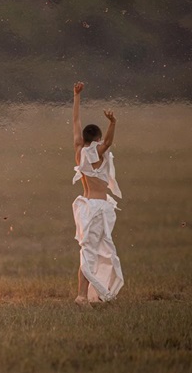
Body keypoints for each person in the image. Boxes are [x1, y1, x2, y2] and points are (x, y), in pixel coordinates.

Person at [71, 81, 124, 307]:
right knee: (92, 252)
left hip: (85, 206)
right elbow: (109, 142)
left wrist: (76, 96)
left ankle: (92, 292)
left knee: (93, 250)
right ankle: (82, 295)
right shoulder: (96, 153)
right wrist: (113, 122)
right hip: (97, 207)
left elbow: (75, 122)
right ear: (98, 139)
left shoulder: (79, 149)